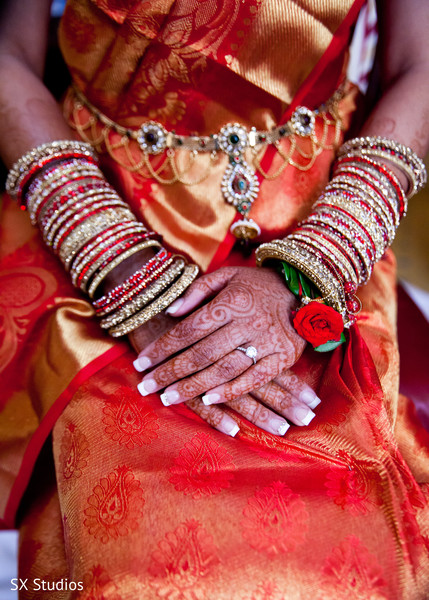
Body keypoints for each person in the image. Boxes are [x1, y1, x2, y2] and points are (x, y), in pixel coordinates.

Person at [0, 0, 428, 598]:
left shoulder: (326, 244)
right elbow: (7, 56)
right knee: (128, 559)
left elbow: (422, 65)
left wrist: (318, 263)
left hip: (324, 207)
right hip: (99, 203)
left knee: (348, 554)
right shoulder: (107, 251)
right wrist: (121, 269)